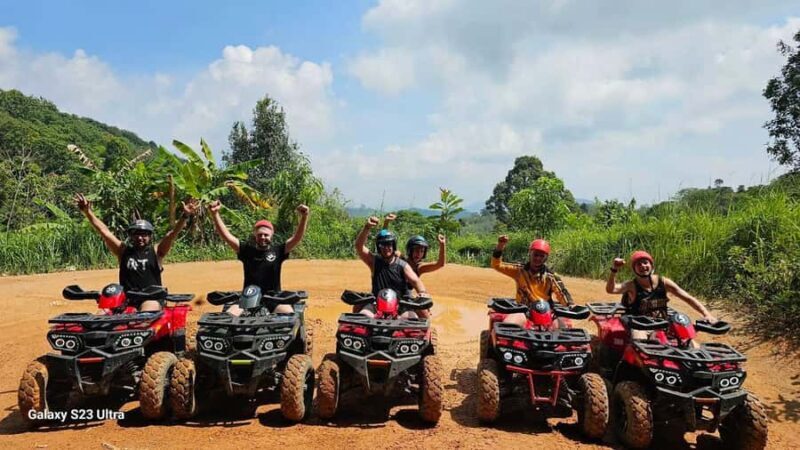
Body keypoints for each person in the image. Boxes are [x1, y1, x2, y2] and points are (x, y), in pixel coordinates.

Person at [74, 193, 199, 311]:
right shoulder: (122, 251)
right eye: (136, 234)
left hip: (151, 298)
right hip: (126, 298)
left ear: (150, 236)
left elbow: (171, 235)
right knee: (103, 314)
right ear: (131, 236)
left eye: (144, 234)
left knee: (144, 315)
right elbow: (104, 232)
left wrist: (185, 216)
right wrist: (87, 212)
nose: (140, 238)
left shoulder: (157, 252)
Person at [208, 200, 309, 316]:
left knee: (290, 317)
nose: (263, 237)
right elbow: (226, 236)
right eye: (259, 234)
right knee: (228, 316)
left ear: (271, 235)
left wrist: (304, 217)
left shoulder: (278, 251)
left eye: (266, 235)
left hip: (274, 298)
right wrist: (215, 214)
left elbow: (297, 238)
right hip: (248, 297)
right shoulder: (246, 250)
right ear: (255, 236)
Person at [606, 250, 717, 340]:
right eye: (638, 264)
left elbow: (687, 298)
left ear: (651, 265)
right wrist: (614, 269)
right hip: (640, 325)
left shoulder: (663, 282)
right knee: (640, 343)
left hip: (662, 323)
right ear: (634, 269)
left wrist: (706, 314)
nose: (643, 266)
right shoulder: (631, 285)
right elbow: (611, 289)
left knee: (687, 341)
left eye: (645, 262)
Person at [491, 235, 574, 327]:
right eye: (535, 255)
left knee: (564, 328)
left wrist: (570, 305)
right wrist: (500, 245)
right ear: (530, 254)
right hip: (522, 310)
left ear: (545, 258)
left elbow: (562, 293)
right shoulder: (519, 270)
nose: (538, 258)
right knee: (508, 325)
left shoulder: (551, 276)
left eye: (541, 256)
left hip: (546, 312)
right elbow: (496, 265)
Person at [354, 216, 428, 318]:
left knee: (413, 318)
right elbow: (359, 246)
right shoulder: (374, 261)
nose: (386, 248)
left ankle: (427, 332)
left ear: (393, 246)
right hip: (376, 303)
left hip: (400, 304)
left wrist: (422, 292)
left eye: (389, 245)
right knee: (364, 315)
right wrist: (367, 227)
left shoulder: (402, 265)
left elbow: (416, 281)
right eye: (382, 245)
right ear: (378, 247)